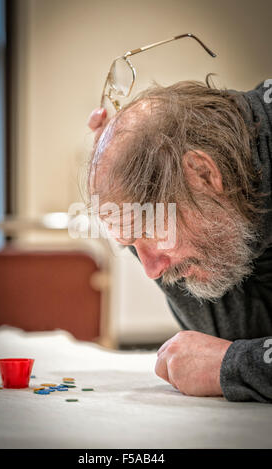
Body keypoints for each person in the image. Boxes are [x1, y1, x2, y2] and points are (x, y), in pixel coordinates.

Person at [87, 79, 272, 403]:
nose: (151, 271)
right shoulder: (230, 219)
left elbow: (229, 357)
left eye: (153, 229)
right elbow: (241, 335)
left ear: (202, 173)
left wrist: (235, 365)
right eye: (133, 244)